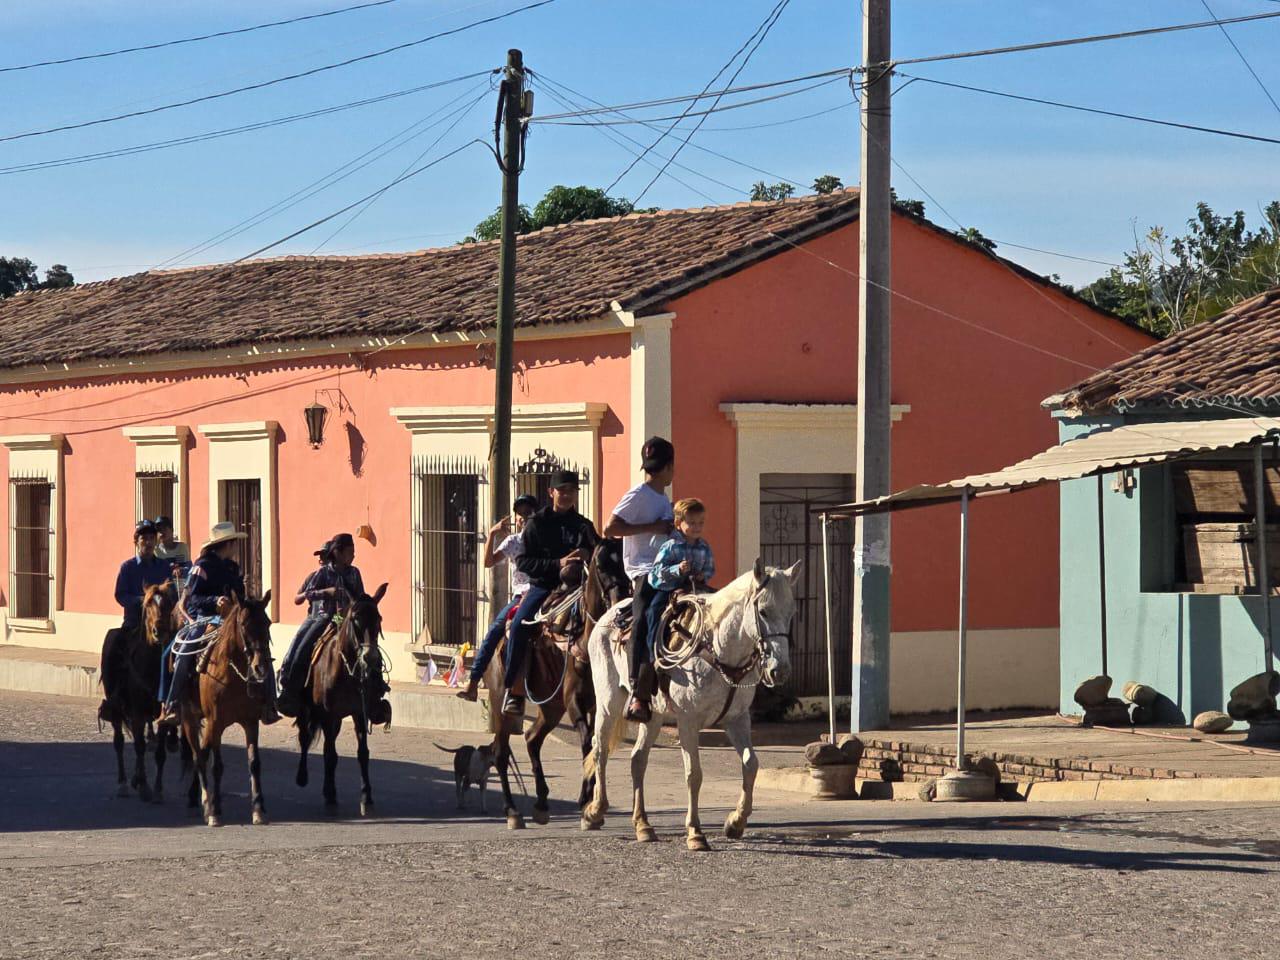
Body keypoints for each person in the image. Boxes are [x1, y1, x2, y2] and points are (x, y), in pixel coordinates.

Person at [157, 522, 280, 727]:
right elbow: (193, 598)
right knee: (182, 651)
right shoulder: (201, 566)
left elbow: (240, 596)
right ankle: (173, 704)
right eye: (234, 543)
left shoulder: (233, 568)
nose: (236, 548)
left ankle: (269, 704)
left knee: (261, 649)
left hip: (233, 620)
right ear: (227, 544)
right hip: (205, 618)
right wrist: (214, 601)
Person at [504, 470, 598, 717]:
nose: (566, 495)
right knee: (519, 626)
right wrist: (558, 563)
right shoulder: (536, 523)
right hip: (544, 586)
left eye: (571, 491)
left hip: (579, 587)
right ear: (551, 492)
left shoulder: (584, 526)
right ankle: (514, 691)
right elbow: (523, 562)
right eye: (562, 490)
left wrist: (590, 556)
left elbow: (599, 555)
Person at [602, 436, 675, 723]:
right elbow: (610, 528)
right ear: (671, 467)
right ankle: (637, 690)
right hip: (645, 570)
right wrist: (653, 526)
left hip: (667, 568)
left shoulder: (663, 498)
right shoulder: (639, 494)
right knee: (645, 617)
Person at [457, 494, 539, 702]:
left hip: (542, 593)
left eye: (528, 513)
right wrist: (492, 533)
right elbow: (488, 562)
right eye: (519, 514)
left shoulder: (543, 538)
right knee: (494, 631)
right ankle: (474, 682)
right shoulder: (512, 542)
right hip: (520, 597)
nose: (523, 517)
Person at [276, 532, 366, 717]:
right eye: (350, 551)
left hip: (346, 619)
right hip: (322, 617)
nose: (353, 555)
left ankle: (374, 691)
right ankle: (289, 686)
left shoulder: (355, 573)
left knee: (369, 645)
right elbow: (302, 597)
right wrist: (326, 592)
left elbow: (360, 597)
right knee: (301, 645)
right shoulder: (322, 573)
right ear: (338, 553)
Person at [99, 520, 172, 720]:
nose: (148, 542)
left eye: (151, 538)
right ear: (136, 541)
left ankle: (178, 700)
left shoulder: (164, 567)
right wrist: (142, 601)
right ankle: (112, 698)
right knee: (112, 644)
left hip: (160, 624)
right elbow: (120, 595)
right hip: (135, 623)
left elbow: (171, 593)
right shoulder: (128, 567)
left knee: (181, 650)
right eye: (144, 538)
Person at [645, 498, 716, 680]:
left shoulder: (704, 546)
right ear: (678, 523)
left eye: (700, 523)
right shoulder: (670, 546)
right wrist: (676, 569)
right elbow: (655, 573)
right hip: (670, 589)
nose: (697, 527)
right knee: (653, 610)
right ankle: (654, 652)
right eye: (691, 523)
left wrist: (703, 575)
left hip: (695, 588)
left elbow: (710, 568)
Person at [153, 515, 191, 586]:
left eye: (164, 529)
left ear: (172, 530)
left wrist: (181, 570)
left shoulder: (182, 547)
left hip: (182, 588)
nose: (161, 532)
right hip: (165, 590)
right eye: (159, 530)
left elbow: (189, 568)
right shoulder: (155, 551)